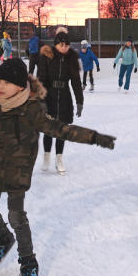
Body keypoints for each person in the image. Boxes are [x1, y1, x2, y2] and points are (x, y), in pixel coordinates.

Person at [0, 58, 115, 276]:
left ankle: (28, 260)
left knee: (16, 216)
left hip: (17, 171)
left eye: (7, 82)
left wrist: (94, 137)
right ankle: (2, 238)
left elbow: (62, 129)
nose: (0, 85)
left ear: (21, 86)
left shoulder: (32, 110)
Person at [38, 27, 83, 174]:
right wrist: (42, 100)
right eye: (61, 45)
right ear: (55, 45)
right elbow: (41, 80)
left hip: (64, 96)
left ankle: (59, 159)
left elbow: (76, 82)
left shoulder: (72, 59)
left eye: (66, 45)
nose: (64, 48)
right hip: (49, 96)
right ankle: (46, 158)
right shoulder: (47, 57)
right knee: (49, 130)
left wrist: (79, 101)